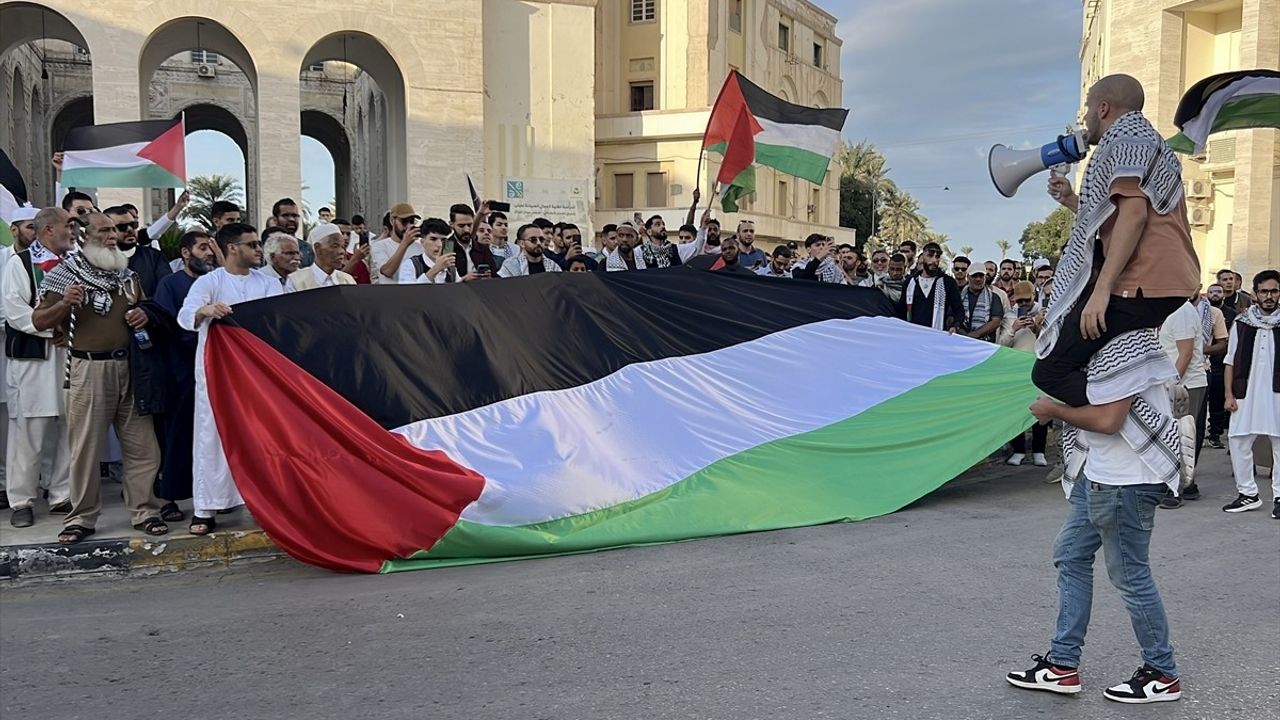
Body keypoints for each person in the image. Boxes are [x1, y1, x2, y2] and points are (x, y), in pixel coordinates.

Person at [1008, 326, 1184, 704]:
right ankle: (1062, 666)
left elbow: (1109, 420)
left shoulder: (1129, 345)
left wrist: (1053, 410)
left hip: (1126, 481)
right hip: (1099, 474)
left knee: (1131, 576)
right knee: (1070, 555)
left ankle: (1163, 673)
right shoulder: (1103, 344)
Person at [1033, 74, 1199, 408]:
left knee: (1050, 371)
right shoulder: (1146, 140)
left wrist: (1101, 290)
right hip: (1163, 283)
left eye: (1088, 108)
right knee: (1084, 358)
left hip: (1141, 284)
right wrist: (1072, 201)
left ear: (1103, 107)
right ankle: (1126, 402)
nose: (1085, 119)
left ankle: (1124, 417)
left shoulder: (1126, 142)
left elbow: (1134, 216)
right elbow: (1121, 215)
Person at [32, 212, 170, 543]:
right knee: (85, 449)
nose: (113, 236)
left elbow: (150, 308)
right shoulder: (64, 276)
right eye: (105, 230)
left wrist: (144, 314)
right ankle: (82, 517)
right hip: (89, 369)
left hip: (131, 369)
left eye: (116, 230)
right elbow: (39, 321)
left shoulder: (127, 275)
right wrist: (65, 304)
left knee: (142, 446)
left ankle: (145, 510)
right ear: (85, 236)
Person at [177, 223, 283, 535]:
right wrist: (206, 310)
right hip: (217, 372)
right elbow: (185, 316)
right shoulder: (210, 282)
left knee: (259, 436)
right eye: (251, 245)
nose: (258, 250)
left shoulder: (267, 282)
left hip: (257, 373)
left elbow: (276, 318)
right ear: (232, 248)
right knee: (211, 434)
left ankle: (262, 504)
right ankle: (206, 508)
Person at [2, 208, 74, 528]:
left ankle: (62, 493)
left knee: (68, 427)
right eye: (67, 227)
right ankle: (22, 499)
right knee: (28, 431)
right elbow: (14, 311)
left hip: (69, 355)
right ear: (47, 231)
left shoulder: (73, 264)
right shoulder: (19, 264)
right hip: (34, 357)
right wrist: (50, 330)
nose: (72, 232)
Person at [151, 230, 217, 519]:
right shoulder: (171, 283)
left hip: (213, 370)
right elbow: (166, 324)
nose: (209, 253)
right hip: (180, 370)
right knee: (176, 434)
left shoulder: (215, 283)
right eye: (202, 247)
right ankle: (168, 497)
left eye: (211, 247)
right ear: (186, 253)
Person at [1221, 269, 1280, 518]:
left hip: (1277, 394)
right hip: (1245, 393)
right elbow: (1230, 361)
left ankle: (1279, 496)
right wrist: (1228, 395)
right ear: (1255, 294)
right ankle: (1248, 494)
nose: (1269, 295)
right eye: (1264, 291)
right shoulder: (1242, 323)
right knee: (1238, 441)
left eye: (1274, 291)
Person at [1002, 281, 1048, 466]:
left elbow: (1051, 342)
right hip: (1015, 372)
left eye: (1026, 301)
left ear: (1033, 297)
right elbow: (1001, 345)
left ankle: (1039, 451)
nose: (1023, 305)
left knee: (1041, 409)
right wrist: (1013, 329)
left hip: (1039, 368)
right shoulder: (1009, 317)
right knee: (1017, 411)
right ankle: (1019, 450)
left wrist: (1037, 326)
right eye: (1019, 301)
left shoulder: (1044, 313)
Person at [104, 205, 172, 296]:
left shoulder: (154, 257)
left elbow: (166, 292)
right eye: (122, 227)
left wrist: (146, 309)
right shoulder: (95, 261)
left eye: (134, 225)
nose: (130, 230)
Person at [900, 242, 963, 331]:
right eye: (930, 255)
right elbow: (902, 311)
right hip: (912, 335)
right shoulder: (910, 282)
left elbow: (959, 310)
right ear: (923, 257)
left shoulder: (948, 282)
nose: (934, 260)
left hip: (937, 336)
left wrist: (955, 326)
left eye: (937, 256)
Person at [286, 224, 357, 291]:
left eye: (343, 247)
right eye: (335, 246)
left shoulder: (348, 281)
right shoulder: (296, 281)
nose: (341, 252)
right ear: (317, 248)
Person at [373, 203, 423, 285]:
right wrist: (405, 243)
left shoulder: (420, 246)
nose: (408, 226)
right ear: (392, 221)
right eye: (404, 222)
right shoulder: (380, 245)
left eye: (412, 221)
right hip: (391, 295)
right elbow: (387, 271)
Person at [959, 266, 1005, 342]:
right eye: (974, 276)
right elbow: (952, 317)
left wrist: (974, 335)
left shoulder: (994, 297)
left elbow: (996, 321)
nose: (978, 279)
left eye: (981, 276)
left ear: (985, 277)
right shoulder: (959, 296)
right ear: (967, 277)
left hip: (984, 344)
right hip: (961, 340)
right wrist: (963, 334)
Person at [405, 218, 459, 283]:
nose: (439, 245)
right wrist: (435, 269)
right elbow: (408, 292)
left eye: (443, 240)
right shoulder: (411, 265)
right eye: (433, 239)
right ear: (422, 242)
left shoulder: (451, 269)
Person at [271, 198, 310, 267]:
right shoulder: (265, 248)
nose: (291, 219)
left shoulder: (307, 248)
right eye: (286, 215)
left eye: (294, 216)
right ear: (275, 220)